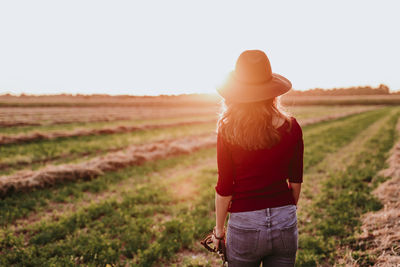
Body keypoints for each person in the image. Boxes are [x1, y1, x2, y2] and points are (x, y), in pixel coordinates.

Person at [212, 50, 304, 266]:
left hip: (245, 224)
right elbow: (296, 181)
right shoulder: (291, 126)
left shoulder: (227, 130)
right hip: (284, 218)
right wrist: (283, 213)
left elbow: (224, 187)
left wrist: (219, 231)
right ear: (272, 91)